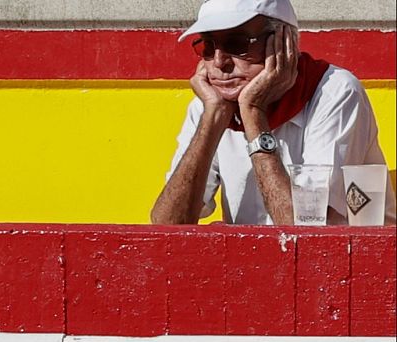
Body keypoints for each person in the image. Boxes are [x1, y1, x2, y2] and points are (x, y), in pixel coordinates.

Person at [150, 0, 394, 225]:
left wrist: (253, 112)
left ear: (285, 43)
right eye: (208, 46)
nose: (219, 62)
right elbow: (167, 226)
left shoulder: (335, 92)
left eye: (237, 45)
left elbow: (303, 232)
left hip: (347, 266)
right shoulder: (211, 103)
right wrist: (213, 118)